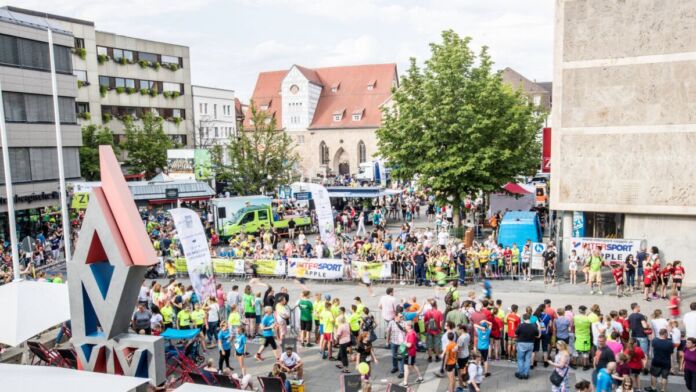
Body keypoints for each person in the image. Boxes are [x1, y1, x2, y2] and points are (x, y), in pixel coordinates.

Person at [515, 313, 539, 380]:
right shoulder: (533, 326)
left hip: (521, 343)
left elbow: (516, 333)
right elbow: (537, 334)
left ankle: (520, 373)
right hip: (530, 344)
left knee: (520, 359)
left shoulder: (521, 326)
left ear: (523, 318)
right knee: (528, 359)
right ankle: (526, 374)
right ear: (529, 318)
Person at [402, 321, 423, 387]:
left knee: (408, 366)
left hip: (409, 353)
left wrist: (403, 343)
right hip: (409, 352)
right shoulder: (410, 332)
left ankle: (405, 382)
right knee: (411, 365)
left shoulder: (411, 334)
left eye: (405, 325)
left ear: (409, 326)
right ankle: (420, 378)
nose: (404, 326)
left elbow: (409, 345)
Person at [386, 312, 405, 378]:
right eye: (400, 317)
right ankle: (395, 367)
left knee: (400, 357)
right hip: (393, 342)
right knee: (394, 356)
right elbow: (388, 332)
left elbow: (406, 330)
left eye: (402, 316)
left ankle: (402, 372)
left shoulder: (404, 322)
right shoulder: (391, 322)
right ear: (396, 317)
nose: (402, 318)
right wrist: (387, 341)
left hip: (402, 344)